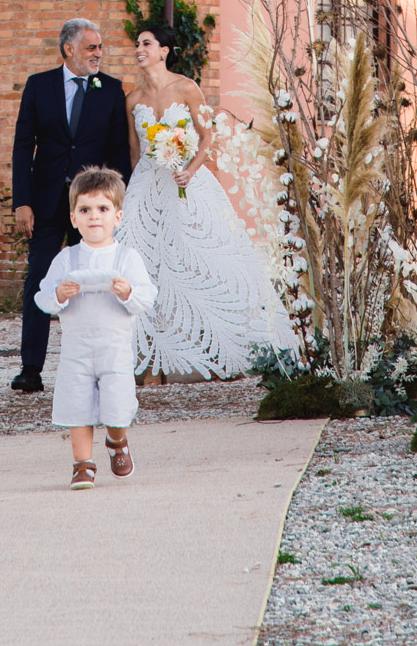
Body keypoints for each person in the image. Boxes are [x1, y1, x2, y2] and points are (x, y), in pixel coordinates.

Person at [118, 20, 294, 380]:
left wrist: (191, 170)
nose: (140, 49)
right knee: (146, 262)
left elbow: (206, 135)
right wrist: (138, 190)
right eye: (138, 43)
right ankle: (151, 355)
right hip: (147, 187)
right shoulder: (132, 100)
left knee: (196, 258)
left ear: (164, 51)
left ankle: (224, 343)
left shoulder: (187, 88)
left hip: (187, 181)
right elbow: (135, 152)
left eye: (147, 43)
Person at [10, 17, 131, 393]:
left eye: (99, 47)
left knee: (98, 280)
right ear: (69, 49)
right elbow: (21, 145)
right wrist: (22, 202)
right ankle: (31, 368)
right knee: (40, 278)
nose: (99, 53)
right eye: (92, 47)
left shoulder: (111, 89)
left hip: (92, 206)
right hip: (45, 202)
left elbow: (118, 153)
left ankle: (100, 367)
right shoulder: (38, 86)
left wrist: (112, 203)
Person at [36, 167, 155, 488]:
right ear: (73, 218)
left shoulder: (127, 258)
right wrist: (59, 295)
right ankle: (83, 464)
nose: (94, 217)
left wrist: (128, 292)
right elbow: (43, 295)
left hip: (114, 349)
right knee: (78, 405)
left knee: (116, 406)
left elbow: (146, 296)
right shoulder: (67, 259)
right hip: (76, 349)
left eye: (103, 209)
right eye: (85, 210)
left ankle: (117, 440)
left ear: (117, 216)